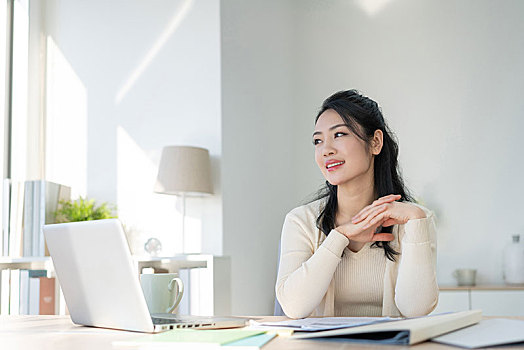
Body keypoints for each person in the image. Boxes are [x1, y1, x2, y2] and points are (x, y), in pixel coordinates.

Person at [275, 90, 438, 319]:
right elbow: (293, 307)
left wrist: (416, 220)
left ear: (375, 142)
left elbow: (416, 310)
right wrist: (340, 236)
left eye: (339, 134)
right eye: (317, 141)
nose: (326, 150)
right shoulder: (301, 220)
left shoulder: (414, 219)